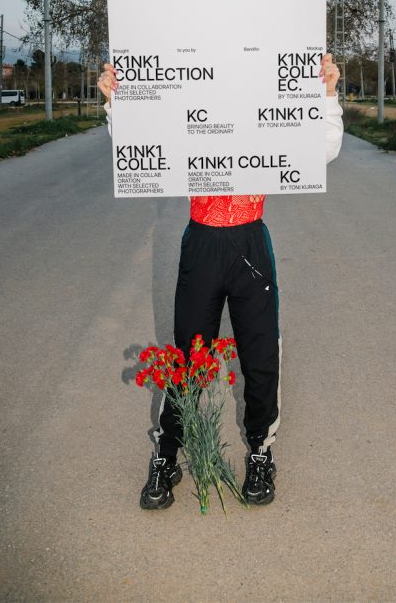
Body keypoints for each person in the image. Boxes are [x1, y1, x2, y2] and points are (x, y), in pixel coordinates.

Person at [99, 54, 343, 510]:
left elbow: (321, 149)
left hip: (251, 239)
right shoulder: (192, 85)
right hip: (202, 241)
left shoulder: (263, 86)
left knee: (260, 353)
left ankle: (260, 451)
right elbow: (145, 146)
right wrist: (118, 104)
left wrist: (327, 94)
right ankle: (167, 456)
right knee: (187, 355)